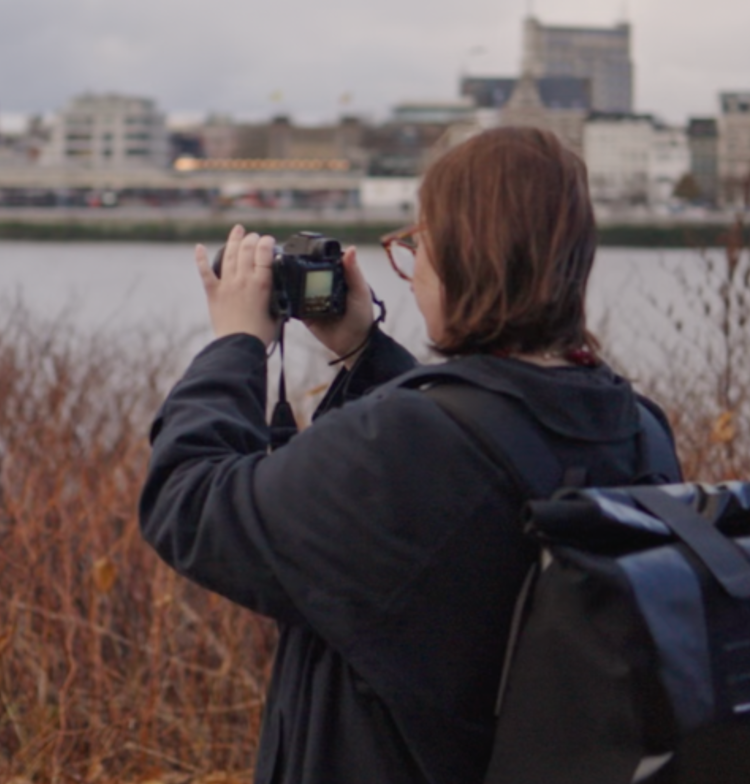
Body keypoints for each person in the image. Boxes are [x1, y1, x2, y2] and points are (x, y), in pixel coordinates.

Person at [139, 126, 682, 784]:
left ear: (461, 257)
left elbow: (189, 503)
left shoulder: (409, 444)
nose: (413, 266)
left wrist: (236, 345)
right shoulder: (635, 428)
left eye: (418, 244)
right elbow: (488, 452)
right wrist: (364, 352)